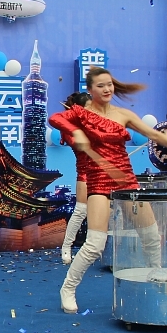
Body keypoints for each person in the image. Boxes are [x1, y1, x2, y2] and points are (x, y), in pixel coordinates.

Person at [48, 67, 167, 314]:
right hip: (99, 182)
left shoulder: (123, 114)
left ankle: (156, 272)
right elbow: (55, 118)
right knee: (95, 244)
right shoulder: (81, 113)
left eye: (109, 84)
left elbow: (152, 134)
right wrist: (76, 130)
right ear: (90, 90)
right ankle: (68, 288)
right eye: (100, 86)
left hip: (126, 180)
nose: (107, 89)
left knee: (150, 234)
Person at [59, 92, 93, 265]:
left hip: (103, 171)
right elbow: (78, 145)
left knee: (107, 211)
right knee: (81, 210)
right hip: (85, 171)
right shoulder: (71, 129)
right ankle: (66, 247)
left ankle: (97, 248)